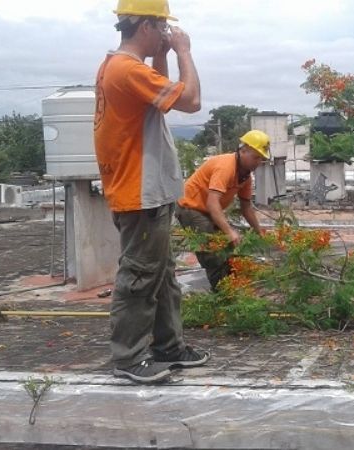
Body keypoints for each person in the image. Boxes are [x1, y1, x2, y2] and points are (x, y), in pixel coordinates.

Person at [94, 0, 209, 384]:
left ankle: (169, 348)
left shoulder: (121, 67)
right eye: (161, 27)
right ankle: (129, 358)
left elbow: (160, 102)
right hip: (140, 193)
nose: (165, 34)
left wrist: (162, 55)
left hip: (148, 192)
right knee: (140, 277)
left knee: (162, 276)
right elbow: (190, 101)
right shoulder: (126, 69)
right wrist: (184, 52)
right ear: (145, 25)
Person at [176, 130, 270, 290]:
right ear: (243, 150)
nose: (258, 162)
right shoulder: (226, 167)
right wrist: (229, 231)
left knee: (230, 249)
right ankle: (222, 295)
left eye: (261, 158)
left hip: (208, 210)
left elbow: (246, 207)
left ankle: (233, 289)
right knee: (213, 253)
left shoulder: (245, 176)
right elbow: (213, 203)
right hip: (191, 208)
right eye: (256, 157)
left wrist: (258, 230)